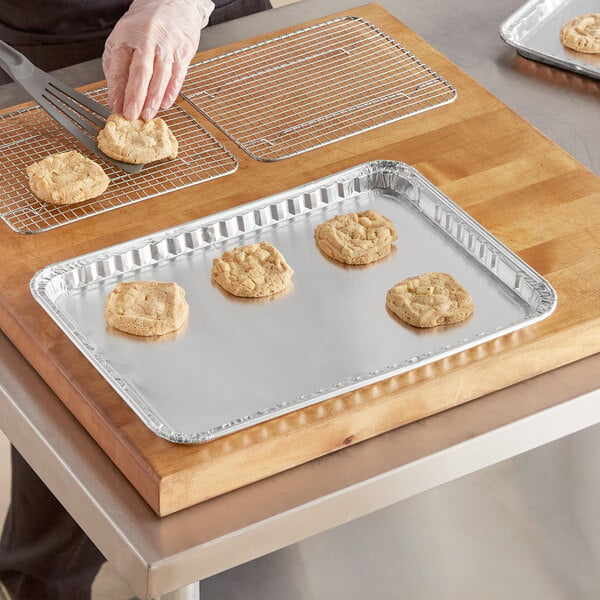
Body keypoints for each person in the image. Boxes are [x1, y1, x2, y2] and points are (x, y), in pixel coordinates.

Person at [0, 2, 271, 599]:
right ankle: (44, 576)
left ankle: (246, 543)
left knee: (244, 317)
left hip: (208, 31)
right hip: (49, 37)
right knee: (75, 373)